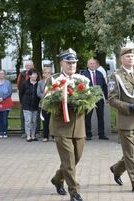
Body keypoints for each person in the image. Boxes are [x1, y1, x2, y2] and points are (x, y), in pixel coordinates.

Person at [108, 47, 134, 194]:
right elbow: (112, 100)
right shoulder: (116, 76)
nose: (130, 58)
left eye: (132, 56)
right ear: (121, 59)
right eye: (127, 56)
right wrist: (130, 107)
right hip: (126, 119)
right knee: (130, 153)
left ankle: (117, 169)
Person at [49, 48, 85, 201]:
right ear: (61, 63)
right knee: (69, 162)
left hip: (78, 126)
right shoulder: (54, 79)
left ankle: (57, 178)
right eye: (68, 62)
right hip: (61, 126)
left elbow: (88, 101)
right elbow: (46, 102)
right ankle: (74, 192)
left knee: (75, 158)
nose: (72, 65)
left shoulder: (82, 80)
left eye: (74, 62)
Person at [82, 59, 108, 140]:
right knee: (88, 117)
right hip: (89, 98)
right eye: (91, 63)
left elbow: (104, 86)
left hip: (99, 98)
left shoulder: (99, 73)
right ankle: (88, 134)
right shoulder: (84, 75)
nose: (92, 65)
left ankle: (102, 134)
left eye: (94, 63)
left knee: (100, 116)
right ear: (88, 65)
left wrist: (106, 97)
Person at [19, 68, 40, 142]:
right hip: (26, 105)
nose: (35, 76)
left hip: (35, 105)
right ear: (30, 75)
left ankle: (33, 135)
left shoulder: (38, 84)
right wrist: (22, 102)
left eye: (36, 74)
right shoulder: (25, 83)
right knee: (28, 121)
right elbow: (21, 94)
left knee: (34, 121)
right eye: (33, 74)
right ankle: (28, 135)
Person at [17, 60, 34, 137]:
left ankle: (34, 132)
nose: (28, 67)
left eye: (29, 65)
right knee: (23, 116)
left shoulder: (36, 73)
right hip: (24, 98)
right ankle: (24, 132)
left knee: (34, 117)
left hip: (34, 99)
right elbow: (18, 85)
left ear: (32, 66)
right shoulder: (22, 74)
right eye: (26, 65)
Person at [37, 67, 52, 142]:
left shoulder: (54, 82)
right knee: (45, 121)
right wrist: (44, 96)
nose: (47, 74)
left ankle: (53, 136)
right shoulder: (40, 82)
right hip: (43, 104)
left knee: (52, 121)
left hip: (52, 104)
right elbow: (38, 93)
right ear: (43, 74)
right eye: (45, 73)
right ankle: (45, 136)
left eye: (49, 73)